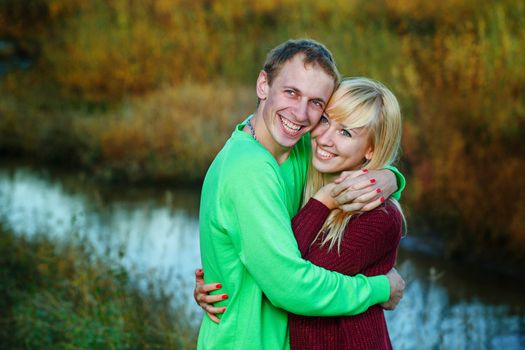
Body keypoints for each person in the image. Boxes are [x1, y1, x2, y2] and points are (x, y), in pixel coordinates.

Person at [196, 39, 405, 350]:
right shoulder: (248, 171)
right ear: (263, 85)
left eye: (316, 103)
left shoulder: (296, 149)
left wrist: (389, 177)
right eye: (291, 92)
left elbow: (355, 150)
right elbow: (291, 286)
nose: (300, 113)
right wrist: (379, 288)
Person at [287, 77, 405, 349]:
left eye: (346, 132)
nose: (324, 138)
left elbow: (295, 281)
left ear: (371, 150)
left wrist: (323, 200)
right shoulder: (308, 174)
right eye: (326, 120)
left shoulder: (380, 217)